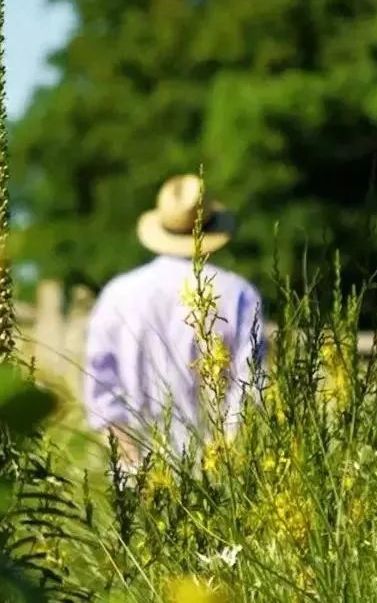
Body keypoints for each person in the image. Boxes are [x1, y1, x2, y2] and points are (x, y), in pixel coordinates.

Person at [83, 174, 265, 464]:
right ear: (213, 229)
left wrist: (134, 466)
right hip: (219, 466)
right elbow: (249, 387)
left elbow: (101, 391)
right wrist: (222, 460)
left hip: (135, 466)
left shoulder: (118, 294)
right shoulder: (238, 293)